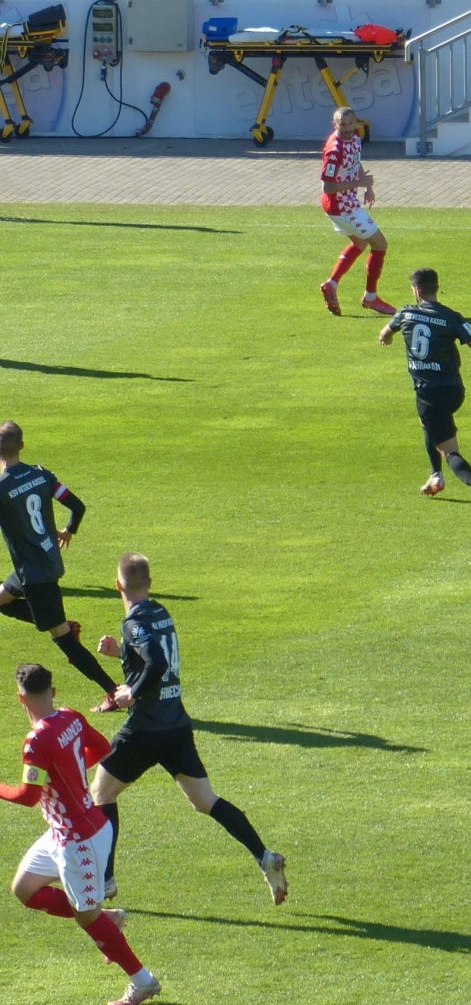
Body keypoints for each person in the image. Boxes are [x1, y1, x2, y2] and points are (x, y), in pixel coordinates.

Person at [89, 553, 288, 911]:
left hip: (144, 730)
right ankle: (264, 856)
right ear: (150, 583)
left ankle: (105, 881)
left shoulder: (133, 622)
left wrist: (131, 693)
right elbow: (157, 659)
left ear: (117, 585)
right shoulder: (162, 613)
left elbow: (157, 662)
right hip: (177, 727)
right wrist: (121, 653)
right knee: (205, 801)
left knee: (101, 794)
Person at [1, 663, 160, 1005]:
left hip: (80, 841)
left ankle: (142, 981)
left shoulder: (35, 741)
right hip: (65, 832)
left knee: (87, 918)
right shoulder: (70, 717)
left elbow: (28, 797)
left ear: (20, 699)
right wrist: (69, 771)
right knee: (24, 889)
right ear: (53, 692)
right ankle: (106, 919)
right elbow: (102, 748)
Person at [0, 422, 120, 708]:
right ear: (22, 446)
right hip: (45, 562)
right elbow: (77, 506)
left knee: (63, 639)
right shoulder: (42, 475)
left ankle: (114, 693)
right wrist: (68, 531)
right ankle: (62, 622)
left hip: (35, 575)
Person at [379, 267, 471, 511]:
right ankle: (435, 475)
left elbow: (385, 333)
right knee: (428, 423)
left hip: (429, 392)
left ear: (416, 290)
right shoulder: (451, 316)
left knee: (450, 451)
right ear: (436, 288)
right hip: (454, 390)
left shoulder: (406, 313)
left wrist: (388, 337)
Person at [318, 106, 394, 317]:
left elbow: (355, 162)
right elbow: (328, 186)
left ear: (356, 122)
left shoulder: (356, 138)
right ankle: (371, 297)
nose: (348, 128)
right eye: (342, 124)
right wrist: (359, 183)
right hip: (341, 206)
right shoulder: (334, 150)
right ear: (335, 125)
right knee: (380, 244)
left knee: (359, 243)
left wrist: (367, 186)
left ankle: (331, 284)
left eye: (351, 123)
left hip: (346, 203)